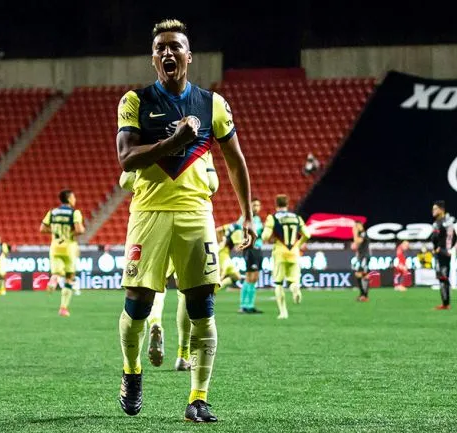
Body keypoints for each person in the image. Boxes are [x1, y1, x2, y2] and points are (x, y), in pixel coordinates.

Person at [115, 18, 255, 423]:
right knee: (138, 304)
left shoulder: (213, 103)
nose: (168, 53)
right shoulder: (134, 101)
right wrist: (174, 141)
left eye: (175, 47)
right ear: (153, 59)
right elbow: (126, 158)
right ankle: (132, 371)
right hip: (150, 213)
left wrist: (246, 214)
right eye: (161, 48)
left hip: (196, 214)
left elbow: (235, 160)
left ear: (189, 56)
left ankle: (198, 398)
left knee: (202, 306)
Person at [119, 171, 196, 372]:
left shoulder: (147, 143)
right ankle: (183, 355)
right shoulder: (201, 144)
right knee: (185, 292)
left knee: (153, 287)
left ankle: (155, 322)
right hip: (188, 218)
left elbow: (124, 180)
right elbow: (213, 184)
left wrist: (152, 184)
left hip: (152, 220)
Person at [262, 194, 310, 319]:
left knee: (278, 283)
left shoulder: (272, 218)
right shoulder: (297, 218)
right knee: (293, 280)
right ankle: (295, 289)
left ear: (276, 204)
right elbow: (307, 234)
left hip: (280, 252)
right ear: (287, 204)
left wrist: (269, 236)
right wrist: (298, 244)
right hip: (294, 252)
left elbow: (265, 237)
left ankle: (283, 312)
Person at [40, 189, 85, 317]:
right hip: (69, 247)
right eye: (74, 197)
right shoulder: (75, 213)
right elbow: (79, 230)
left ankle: (53, 280)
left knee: (56, 272)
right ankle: (63, 308)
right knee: (70, 277)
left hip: (54, 246)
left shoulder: (52, 212)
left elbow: (42, 229)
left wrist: (55, 231)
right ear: (69, 199)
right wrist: (71, 232)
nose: (75, 199)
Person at [237, 198, 263, 313]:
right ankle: (243, 305)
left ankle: (250, 305)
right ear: (250, 206)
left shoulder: (258, 219)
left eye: (258, 205)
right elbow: (240, 233)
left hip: (258, 249)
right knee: (249, 277)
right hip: (250, 249)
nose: (257, 207)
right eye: (254, 205)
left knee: (255, 277)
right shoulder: (244, 219)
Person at [430, 200, 457, 310]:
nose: (433, 211)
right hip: (442, 253)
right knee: (442, 277)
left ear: (441, 210)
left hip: (442, 252)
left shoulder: (443, 222)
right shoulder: (442, 222)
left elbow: (437, 238)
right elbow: (453, 237)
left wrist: (441, 249)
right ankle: (445, 302)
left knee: (443, 277)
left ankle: (446, 303)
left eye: (435, 209)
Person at [215, 222, 244, 292]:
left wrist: (219, 241)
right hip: (223, 255)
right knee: (220, 277)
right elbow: (237, 249)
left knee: (237, 277)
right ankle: (212, 291)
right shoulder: (238, 230)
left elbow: (217, 230)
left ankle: (214, 289)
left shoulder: (231, 226)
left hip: (223, 252)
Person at [352, 221, 370, 301]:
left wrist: (354, 233)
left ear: (360, 225)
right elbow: (356, 245)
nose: (355, 227)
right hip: (362, 257)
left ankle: (364, 296)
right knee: (360, 274)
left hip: (364, 257)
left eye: (357, 225)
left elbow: (357, 241)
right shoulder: (361, 234)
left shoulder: (362, 233)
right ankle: (363, 295)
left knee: (363, 274)